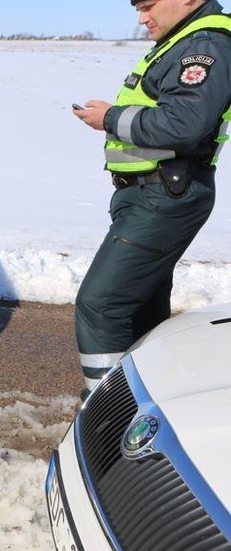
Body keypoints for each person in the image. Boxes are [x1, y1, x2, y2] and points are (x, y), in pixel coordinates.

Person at [72, 0, 231, 396]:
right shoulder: (180, 41)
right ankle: (151, 407)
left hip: (163, 196)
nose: (142, 18)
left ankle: (103, 415)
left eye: (149, 6)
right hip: (148, 194)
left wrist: (109, 119)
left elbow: (184, 124)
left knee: (102, 304)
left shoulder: (205, 45)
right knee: (141, 309)